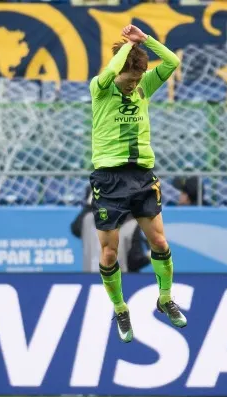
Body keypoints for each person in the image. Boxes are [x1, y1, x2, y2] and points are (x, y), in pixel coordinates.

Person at [89, 23, 185, 344]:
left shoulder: (144, 86)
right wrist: (127, 48)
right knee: (109, 254)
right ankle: (119, 307)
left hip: (142, 176)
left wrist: (145, 41)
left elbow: (171, 62)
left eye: (136, 79)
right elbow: (111, 73)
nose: (132, 85)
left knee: (159, 242)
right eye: (129, 80)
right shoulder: (101, 88)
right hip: (109, 178)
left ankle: (165, 297)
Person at [70, 185, 151, 273]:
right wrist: (148, 257)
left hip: (100, 280)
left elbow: (133, 261)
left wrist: (89, 205)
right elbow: (134, 262)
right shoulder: (89, 220)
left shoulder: (131, 225)